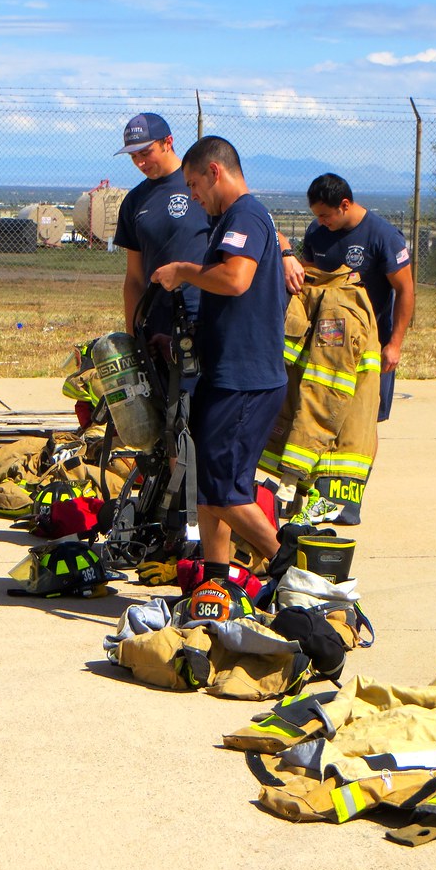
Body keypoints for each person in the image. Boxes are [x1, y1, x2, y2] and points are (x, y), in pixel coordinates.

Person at [152, 136, 287, 565]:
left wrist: (183, 271)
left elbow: (235, 279)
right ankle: (215, 579)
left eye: (194, 184)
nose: (192, 195)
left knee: (226, 491)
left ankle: (298, 572)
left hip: (245, 380)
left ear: (215, 172)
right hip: (225, 373)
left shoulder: (244, 213)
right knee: (210, 488)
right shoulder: (231, 218)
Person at [303, 173, 415, 421]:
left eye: (325, 215)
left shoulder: (383, 237)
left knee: (364, 421)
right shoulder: (316, 232)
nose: (320, 222)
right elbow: (308, 279)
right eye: (316, 216)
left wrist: (394, 345)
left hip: (369, 345)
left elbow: (406, 289)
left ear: (344, 205)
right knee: (323, 416)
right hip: (325, 343)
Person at [113, 112, 209, 337]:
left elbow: (249, 221)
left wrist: (285, 254)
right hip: (157, 326)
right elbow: (134, 278)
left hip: (203, 320)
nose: (140, 163)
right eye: (133, 156)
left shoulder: (200, 187)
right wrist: (133, 339)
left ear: (168, 142)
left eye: (146, 153)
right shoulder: (134, 201)